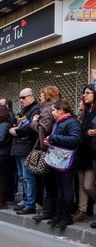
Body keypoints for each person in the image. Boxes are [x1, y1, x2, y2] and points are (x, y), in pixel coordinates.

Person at [44, 99, 81, 230]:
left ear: (61, 110)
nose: (52, 113)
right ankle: (58, 216)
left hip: (68, 162)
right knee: (59, 188)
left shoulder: (72, 122)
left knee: (66, 188)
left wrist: (53, 138)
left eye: (53, 110)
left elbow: (74, 140)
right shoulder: (58, 123)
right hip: (58, 160)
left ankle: (66, 217)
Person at [30, 86, 60, 221]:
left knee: (48, 182)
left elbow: (43, 129)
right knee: (51, 182)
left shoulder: (47, 109)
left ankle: (48, 211)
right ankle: (50, 210)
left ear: (47, 96)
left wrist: (33, 122)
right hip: (52, 149)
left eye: (41, 94)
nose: (40, 97)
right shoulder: (50, 108)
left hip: (47, 150)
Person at [9, 88, 40, 215]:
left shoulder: (35, 109)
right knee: (23, 177)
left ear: (31, 97)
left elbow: (30, 128)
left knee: (28, 177)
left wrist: (16, 131)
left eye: (24, 97)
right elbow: (22, 125)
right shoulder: (25, 110)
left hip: (27, 147)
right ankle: (26, 201)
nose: (21, 100)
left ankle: (30, 204)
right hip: (20, 147)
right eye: (20, 98)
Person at [74, 70, 96, 223]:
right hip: (82, 151)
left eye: (88, 93)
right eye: (84, 93)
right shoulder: (85, 112)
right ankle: (82, 211)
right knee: (81, 184)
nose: (84, 95)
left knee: (88, 185)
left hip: (92, 152)